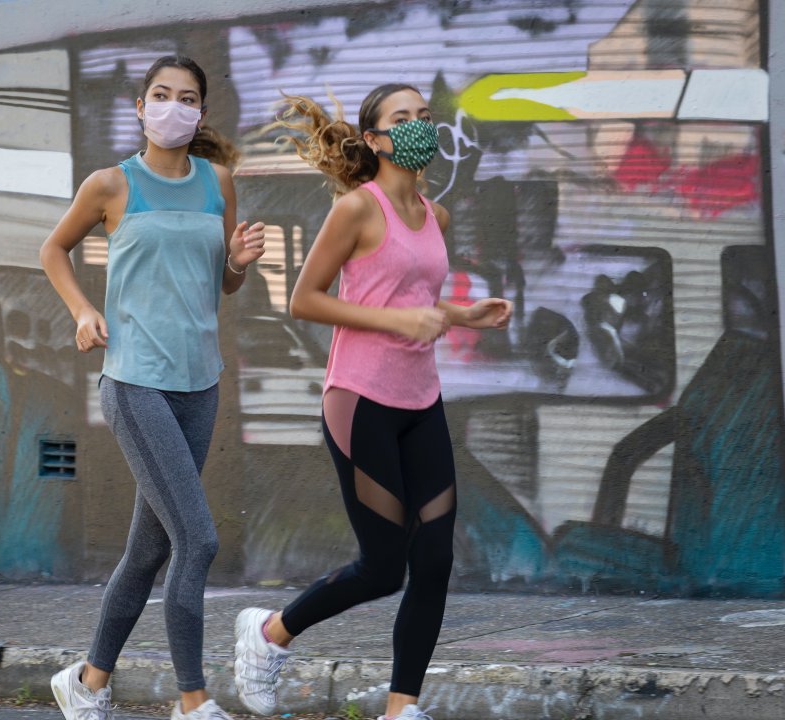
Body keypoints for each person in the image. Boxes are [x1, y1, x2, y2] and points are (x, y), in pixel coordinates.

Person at [231, 84, 512, 720]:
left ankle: (400, 708)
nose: (418, 126)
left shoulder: (435, 217)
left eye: (424, 116)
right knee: (384, 568)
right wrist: (397, 324)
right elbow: (305, 299)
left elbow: (410, 299)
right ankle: (269, 633)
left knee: (435, 559)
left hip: (422, 403)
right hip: (360, 402)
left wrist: (463, 313)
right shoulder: (358, 209)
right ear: (375, 139)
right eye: (401, 118)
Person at [39, 54, 267, 720]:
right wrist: (83, 310)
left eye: (187, 97)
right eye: (160, 95)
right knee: (197, 540)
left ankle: (87, 682)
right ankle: (193, 701)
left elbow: (222, 283)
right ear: (140, 108)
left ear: (201, 111)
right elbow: (53, 249)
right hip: (136, 382)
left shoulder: (218, 181)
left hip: (200, 385)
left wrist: (242, 266)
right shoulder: (111, 184)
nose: (173, 106)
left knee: (149, 550)